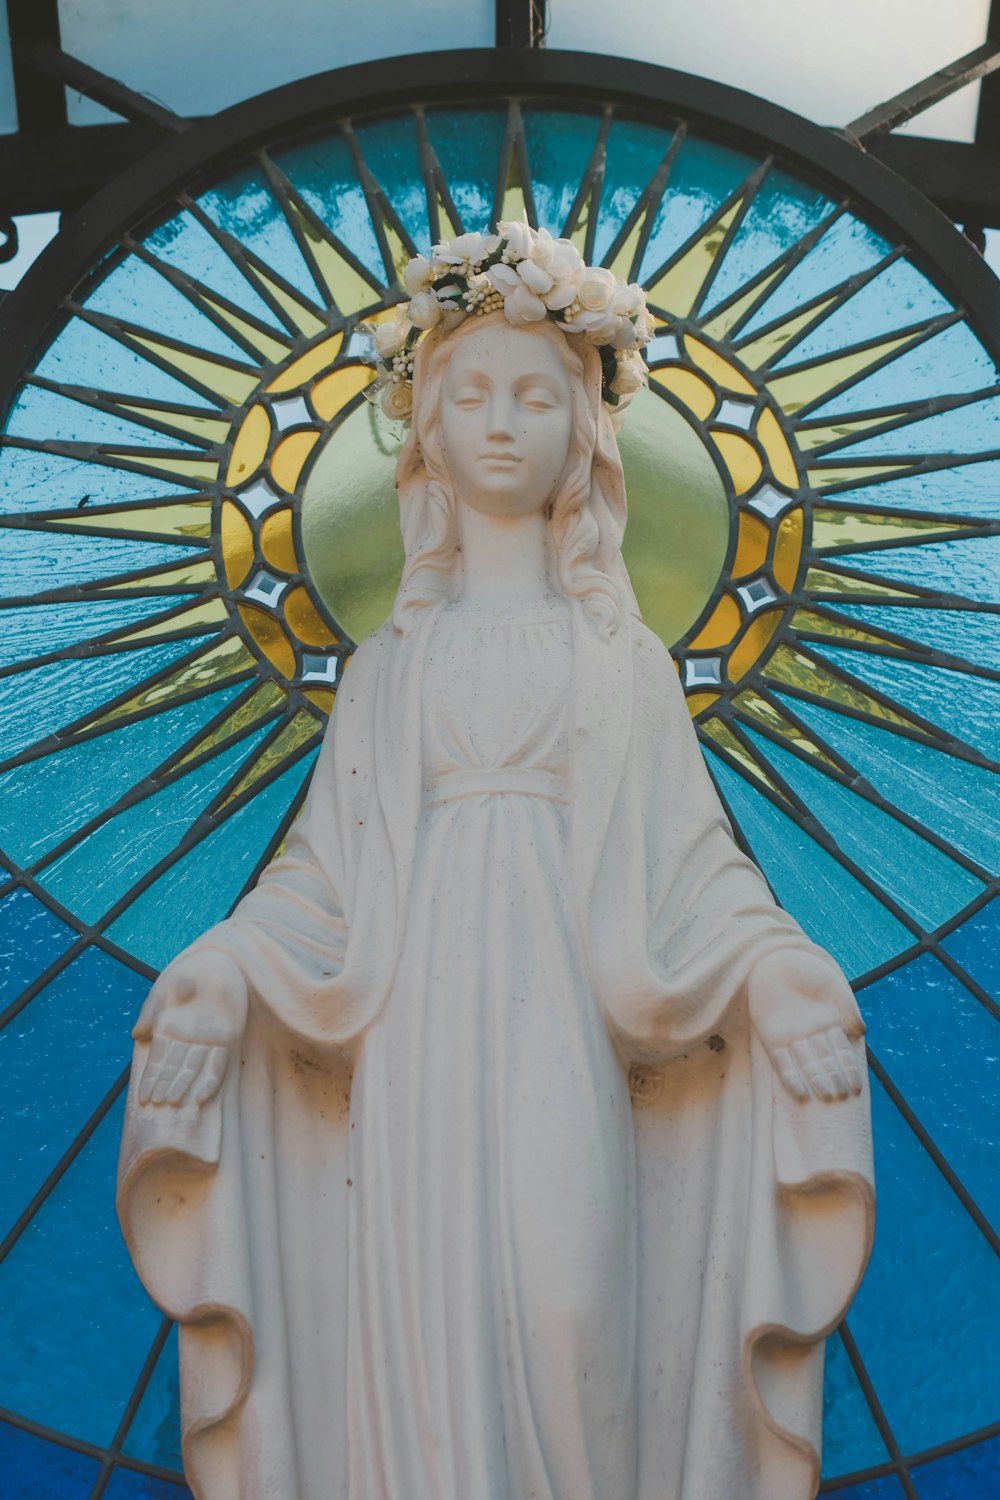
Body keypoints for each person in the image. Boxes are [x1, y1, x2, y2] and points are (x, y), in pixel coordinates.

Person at [118, 226, 874, 1500]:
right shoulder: (390, 669)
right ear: (427, 436)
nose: (502, 424)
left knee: (569, 1304)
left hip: (568, 1026)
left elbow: (693, 871)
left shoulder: (619, 663)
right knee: (428, 1312)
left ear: (585, 429)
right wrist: (225, 969)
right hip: (414, 1033)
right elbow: (320, 880)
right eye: (468, 396)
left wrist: (775, 974)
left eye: (535, 395)